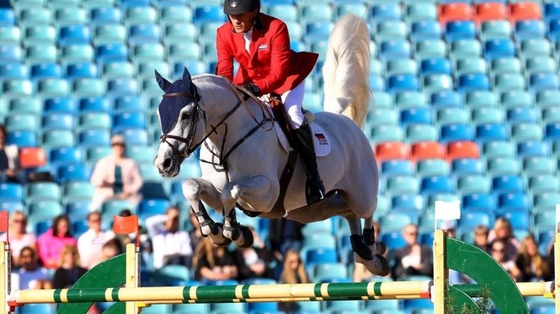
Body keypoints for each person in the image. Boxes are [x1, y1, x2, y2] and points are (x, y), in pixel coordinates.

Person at [216, 0, 325, 204]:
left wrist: (257, 89)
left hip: (287, 79)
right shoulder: (223, 33)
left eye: (241, 14)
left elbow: (278, 72)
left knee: (293, 115)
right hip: (248, 82)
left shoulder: (276, 27)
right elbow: (224, 71)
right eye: (232, 15)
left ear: (254, 12)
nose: (236, 20)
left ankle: (314, 177)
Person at [89, 134, 143, 211]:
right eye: (116, 145)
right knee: (95, 207)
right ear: (112, 147)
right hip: (106, 194)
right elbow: (94, 181)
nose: (118, 148)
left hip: (126, 195)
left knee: (137, 203)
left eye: (121, 145)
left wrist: (130, 191)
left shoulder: (130, 162)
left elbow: (138, 181)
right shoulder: (103, 162)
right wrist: (102, 181)